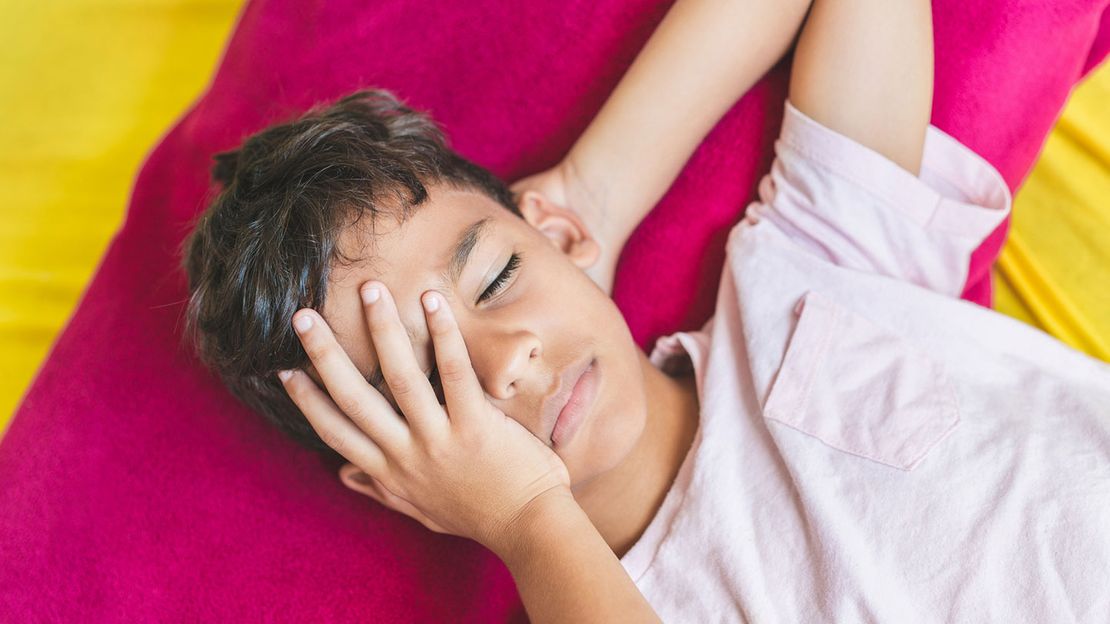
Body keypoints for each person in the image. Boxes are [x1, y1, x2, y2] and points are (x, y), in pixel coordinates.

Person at [181, 0, 1110, 620]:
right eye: (431, 380)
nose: (505, 360)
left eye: (497, 279)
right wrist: (525, 519)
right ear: (395, 477)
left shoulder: (806, 278)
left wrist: (598, 192)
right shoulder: (593, 598)